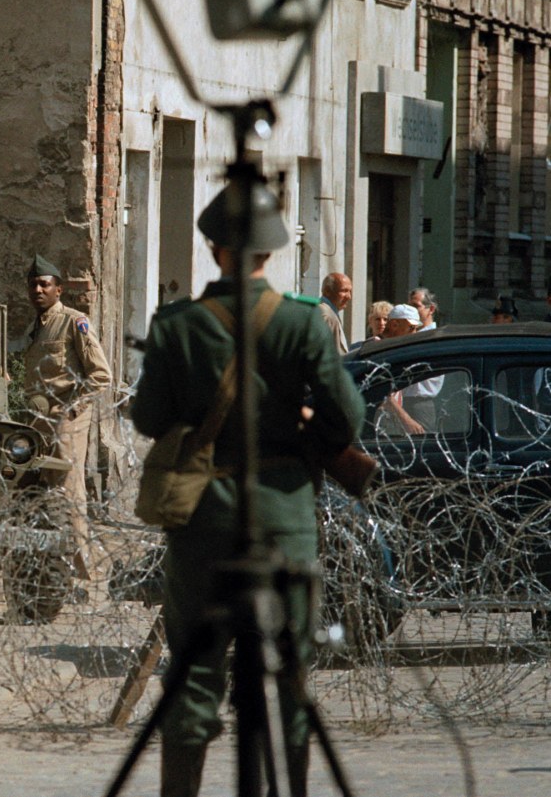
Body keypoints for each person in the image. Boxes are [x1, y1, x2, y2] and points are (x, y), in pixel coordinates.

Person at [130, 187, 365, 797]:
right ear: (272, 251)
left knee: (193, 678)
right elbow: (349, 418)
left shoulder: (176, 325)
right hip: (284, 516)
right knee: (291, 678)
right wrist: (305, 430)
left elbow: (150, 418)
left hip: (204, 516)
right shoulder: (301, 323)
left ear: (214, 249)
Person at [20, 254, 111, 583]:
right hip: (38, 421)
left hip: (67, 419)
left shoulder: (74, 322)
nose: (38, 290)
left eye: (45, 284)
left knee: (69, 493)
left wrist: (72, 409)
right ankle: (53, 570)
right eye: (33, 285)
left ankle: (79, 573)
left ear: (59, 290)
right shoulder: (35, 328)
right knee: (43, 493)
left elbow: (101, 376)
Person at [377, 304, 424, 434]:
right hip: (380, 419)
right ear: (395, 325)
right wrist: (406, 419)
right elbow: (381, 389)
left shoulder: (394, 350)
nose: (414, 333)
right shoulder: (378, 347)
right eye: (411, 328)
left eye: (416, 329)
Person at [402, 287, 441, 430]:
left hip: (420, 404)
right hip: (407, 402)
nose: (411, 311)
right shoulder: (415, 336)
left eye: (416, 306)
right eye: (409, 306)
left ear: (430, 309)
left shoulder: (430, 338)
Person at [318, 271, 352, 353]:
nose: (349, 297)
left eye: (350, 291)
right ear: (327, 291)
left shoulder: (329, 312)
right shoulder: (326, 315)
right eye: (344, 291)